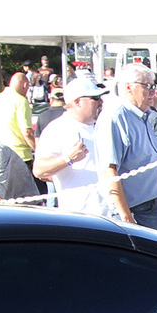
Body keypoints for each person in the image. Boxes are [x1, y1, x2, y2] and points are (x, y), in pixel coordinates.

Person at [33, 75, 112, 217]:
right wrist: (68, 159)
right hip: (80, 216)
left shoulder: (103, 125)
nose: (101, 102)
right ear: (77, 102)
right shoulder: (57, 128)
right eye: (95, 99)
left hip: (112, 213)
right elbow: (39, 170)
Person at [101, 62, 157, 228]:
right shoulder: (117, 117)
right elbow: (110, 171)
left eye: (154, 85)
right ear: (129, 88)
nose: (154, 91)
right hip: (135, 209)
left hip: (150, 205)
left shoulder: (145, 115)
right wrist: (125, 216)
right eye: (147, 86)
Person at [0, 71, 34, 167]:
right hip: (20, 155)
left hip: (0, 153)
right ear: (25, 85)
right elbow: (26, 132)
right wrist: (38, 150)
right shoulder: (21, 101)